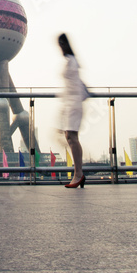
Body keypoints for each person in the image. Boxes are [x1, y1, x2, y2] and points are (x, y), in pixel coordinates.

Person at [56, 34, 88, 189]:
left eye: (61, 44)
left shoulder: (71, 61)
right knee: (70, 137)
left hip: (73, 103)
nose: (59, 47)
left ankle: (78, 174)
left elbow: (75, 84)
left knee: (72, 138)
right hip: (70, 103)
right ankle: (78, 173)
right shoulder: (71, 60)